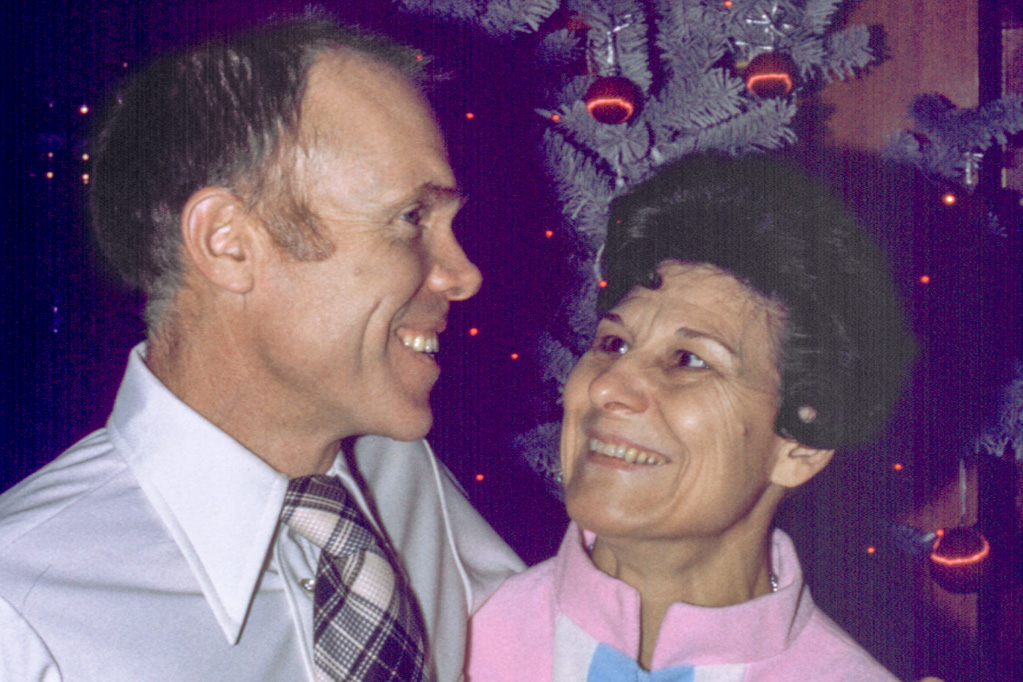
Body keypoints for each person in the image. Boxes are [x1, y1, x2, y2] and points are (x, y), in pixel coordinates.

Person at [0, 15, 523, 681]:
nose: (462, 274)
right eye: (410, 219)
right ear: (228, 242)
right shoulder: (22, 618)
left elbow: (558, 637)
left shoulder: (405, 481)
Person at [466, 154, 915, 680]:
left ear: (801, 447)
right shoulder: (452, 636)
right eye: (612, 343)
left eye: (689, 361)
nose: (608, 386)